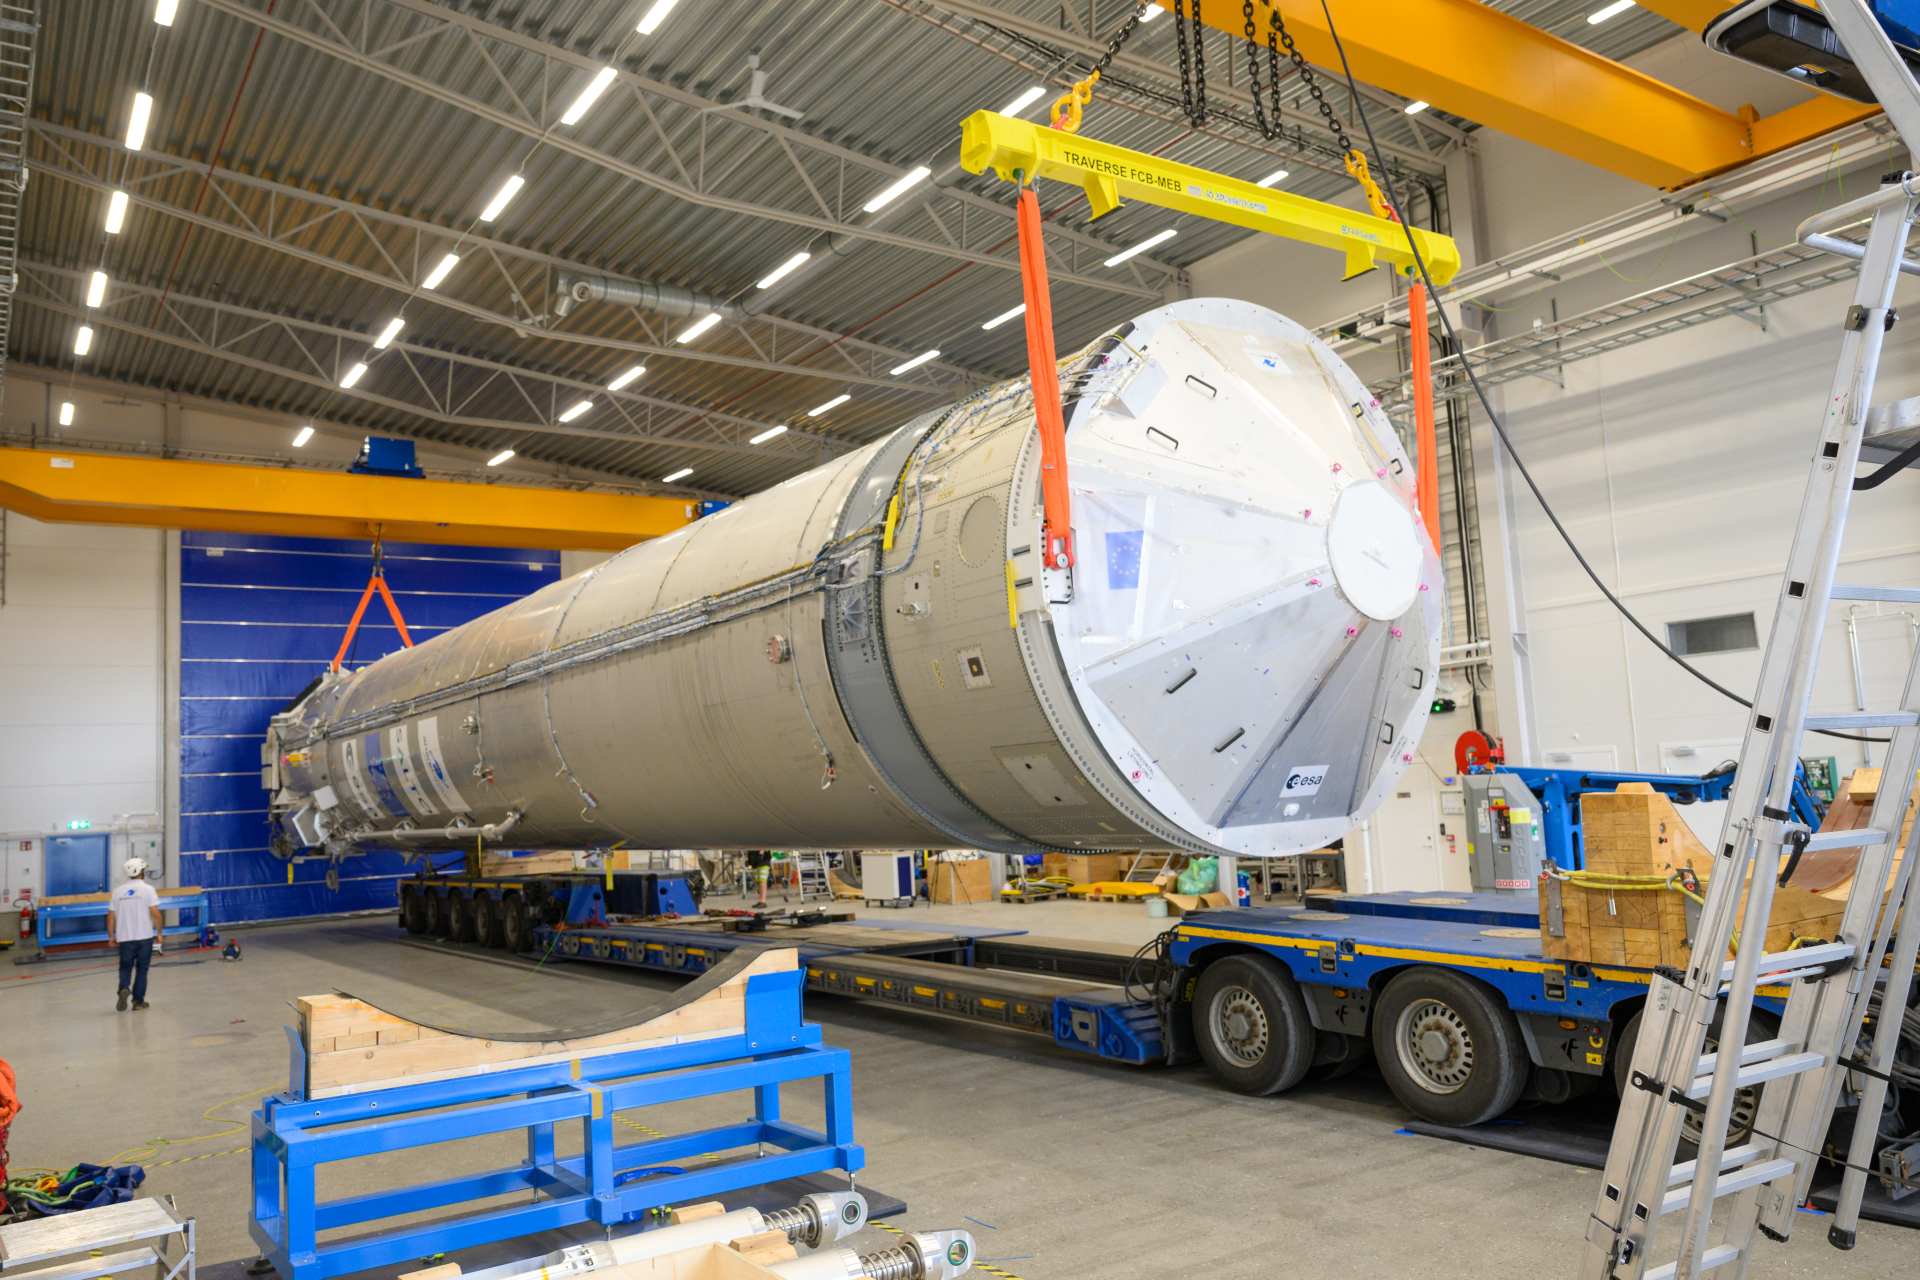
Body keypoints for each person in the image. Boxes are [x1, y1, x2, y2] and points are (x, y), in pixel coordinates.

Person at [107, 857, 163, 1012]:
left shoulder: (117, 892)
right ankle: (138, 1002)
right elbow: (156, 915)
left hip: (125, 938)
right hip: (144, 937)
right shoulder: (148, 890)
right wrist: (159, 933)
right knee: (142, 969)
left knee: (125, 967)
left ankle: (124, 988)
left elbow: (110, 916)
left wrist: (112, 936)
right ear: (141, 872)